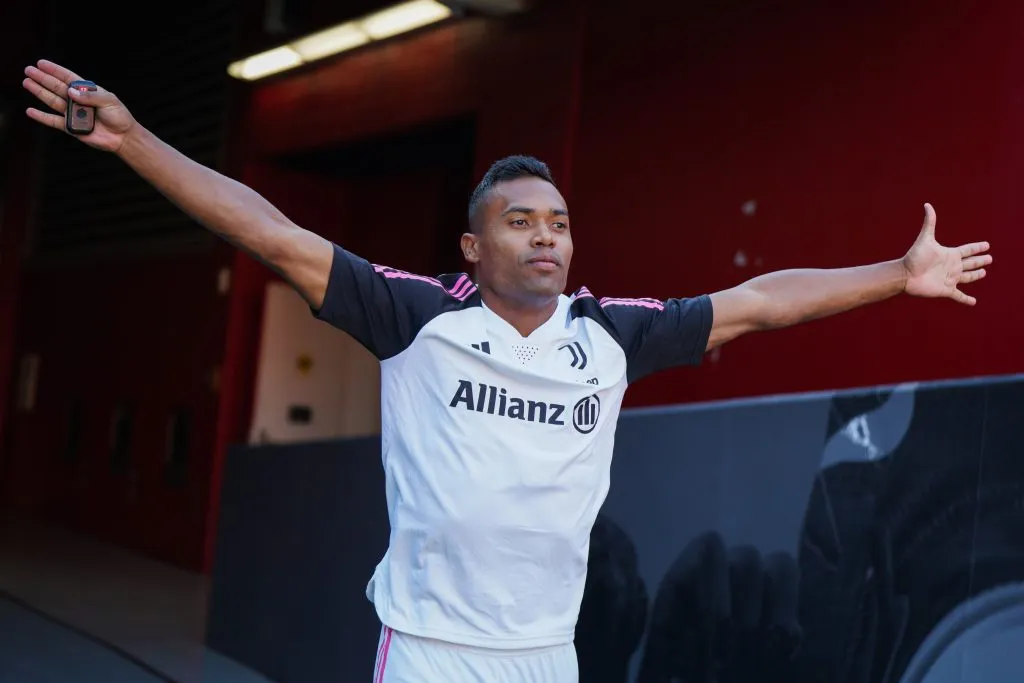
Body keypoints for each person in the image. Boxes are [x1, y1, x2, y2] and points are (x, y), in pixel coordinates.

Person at [22, 59, 992, 683]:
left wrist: (898, 276)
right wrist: (136, 140)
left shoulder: (611, 334)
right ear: (472, 247)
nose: (545, 236)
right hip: (432, 650)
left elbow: (762, 302)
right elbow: (271, 234)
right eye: (519, 220)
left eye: (558, 221)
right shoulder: (416, 316)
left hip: (546, 653)